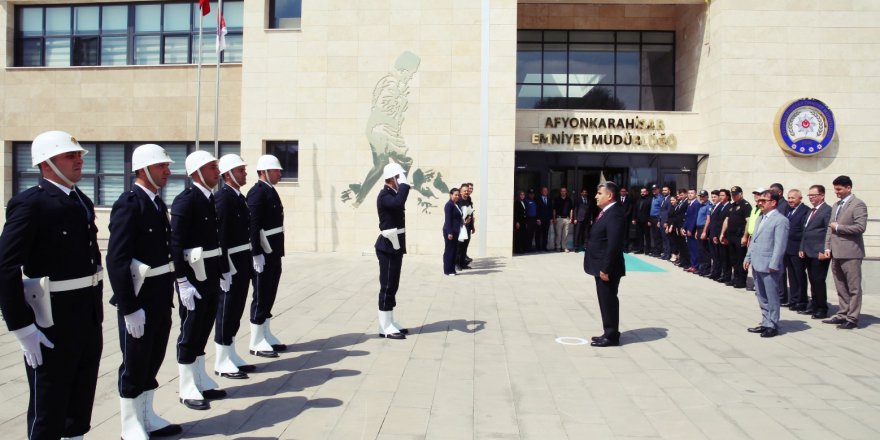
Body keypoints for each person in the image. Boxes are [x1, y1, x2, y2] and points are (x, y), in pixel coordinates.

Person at [0, 131, 103, 439]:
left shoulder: (79, 200)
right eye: (70, 156)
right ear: (47, 163)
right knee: (49, 408)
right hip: (51, 323)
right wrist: (22, 327)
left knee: (79, 404)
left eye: (79, 156)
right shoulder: (31, 204)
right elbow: (5, 266)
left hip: (86, 319)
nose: (78, 161)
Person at [107, 144, 182, 438]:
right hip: (139, 300)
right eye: (162, 166)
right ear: (144, 169)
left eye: (167, 166)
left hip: (160, 295)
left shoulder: (155, 203)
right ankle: (130, 424)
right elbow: (117, 260)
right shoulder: (130, 204)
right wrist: (128, 307)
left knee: (153, 357)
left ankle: (147, 415)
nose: (168, 171)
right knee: (135, 361)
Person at [171, 150, 228, 410]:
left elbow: (217, 240)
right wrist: (182, 281)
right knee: (190, 330)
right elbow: (176, 244)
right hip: (194, 278)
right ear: (196, 173)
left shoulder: (209, 199)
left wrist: (224, 269)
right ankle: (186, 386)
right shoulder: (186, 200)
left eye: (216, 167)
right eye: (211, 168)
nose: (217, 172)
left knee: (204, 326)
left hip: (211, 273)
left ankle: (199, 377)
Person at [213, 154, 257, 378]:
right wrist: (224, 268)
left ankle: (230, 352)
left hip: (242, 260)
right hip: (230, 262)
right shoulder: (223, 198)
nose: (245, 173)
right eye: (241, 170)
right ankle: (221, 360)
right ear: (228, 174)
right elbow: (220, 237)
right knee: (226, 311)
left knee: (236, 310)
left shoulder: (238, 197)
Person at [248, 155, 288, 356]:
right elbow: (253, 225)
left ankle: (265, 332)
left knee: (270, 293)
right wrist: (256, 253)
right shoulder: (257, 193)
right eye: (276, 171)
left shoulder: (270, 191)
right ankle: (256, 340)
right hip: (263, 253)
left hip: (273, 252)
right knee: (261, 294)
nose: (280, 174)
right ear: (264, 172)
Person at [583, 181, 626, 347]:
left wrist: (605, 269)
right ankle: (609, 332)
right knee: (605, 300)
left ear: (609, 196)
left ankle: (611, 336)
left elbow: (614, 244)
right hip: (601, 265)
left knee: (608, 300)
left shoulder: (614, 213)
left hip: (607, 268)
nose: (596, 196)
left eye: (599, 193)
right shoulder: (607, 212)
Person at [823, 175, 868, 329]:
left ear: (849, 188)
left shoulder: (858, 205)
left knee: (853, 287)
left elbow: (860, 227)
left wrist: (840, 228)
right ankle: (843, 313)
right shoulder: (836, 205)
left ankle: (853, 317)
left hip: (851, 252)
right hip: (835, 252)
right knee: (840, 285)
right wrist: (827, 247)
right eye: (835, 189)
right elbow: (830, 227)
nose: (837, 192)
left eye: (839, 189)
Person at [744, 190, 790, 338]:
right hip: (757, 262)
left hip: (769, 265)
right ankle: (765, 322)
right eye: (759, 200)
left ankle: (773, 324)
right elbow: (754, 241)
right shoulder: (760, 218)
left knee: (771, 296)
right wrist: (747, 257)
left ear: (773, 202)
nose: (760, 202)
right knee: (761, 295)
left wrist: (774, 263)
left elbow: (780, 245)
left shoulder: (780, 220)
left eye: (764, 200)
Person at [375, 162, 410, 339]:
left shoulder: (393, 193)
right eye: (399, 176)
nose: (402, 180)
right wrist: (404, 184)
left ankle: (390, 320)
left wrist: (401, 185)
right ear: (393, 178)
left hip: (395, 245)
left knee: (393, 285)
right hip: (387, 246)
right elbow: (398, 203)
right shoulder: (385, 195)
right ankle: (384, 326)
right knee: (387, 285)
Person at [798, 185, 832, 319]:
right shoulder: (810, 211)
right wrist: (801, 247)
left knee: (818, 280)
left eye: (814, 195)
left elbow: (828, 233)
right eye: (809, 195)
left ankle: (822, 308)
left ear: (822, 195)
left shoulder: (827, 210)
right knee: (812, 279)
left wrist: (825, 250)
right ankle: (814, 305)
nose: (811, 198)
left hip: (819, 252)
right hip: (807, 251)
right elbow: (805, 231)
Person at [782, 189, 809, 312]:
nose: (790, 200)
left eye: (793, 198)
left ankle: (802, 301)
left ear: (800, 198)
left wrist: (802, 247)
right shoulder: (789, 210)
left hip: (798, 249)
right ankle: (793, 300)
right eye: (789, 198)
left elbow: (804, 231)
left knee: (799, 276)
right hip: (788, 248)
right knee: (792, 276)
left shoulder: (805, 211)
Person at [721, 186, 751, 289]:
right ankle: (736, 278)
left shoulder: (746, 205)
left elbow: (748, 221)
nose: (734, 196)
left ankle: (741, 280)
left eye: (736, 194)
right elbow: (726, 220)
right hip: (731, 236)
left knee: (740, 259)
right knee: (733, 259)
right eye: (732, 195)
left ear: (741, 194)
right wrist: (722, 234)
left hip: (739, 236)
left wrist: (745, 236)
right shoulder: (731, 206)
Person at [710, 189, 731, 282]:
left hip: (725, 236)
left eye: (723, 195)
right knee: (719, 256)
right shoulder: (722, 206)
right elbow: (717, 222)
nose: (721, 197)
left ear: (727, 196)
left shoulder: (729, 206)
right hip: (718, 234)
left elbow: (727, 222)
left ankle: (726, 276)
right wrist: (715, 235)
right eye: (720, 195)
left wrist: (723, 235)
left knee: (725, 257)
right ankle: (720, 274)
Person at [443, 189, 464, 275]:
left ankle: (452, 269)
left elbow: (457, 218)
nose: (457, 196)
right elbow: (448, 220)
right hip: (450, 231)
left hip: (456, 230)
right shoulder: (449, 205)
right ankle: (447, 270)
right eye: (455, 195)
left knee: (454, 251)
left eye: (458, 195)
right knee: (449, 251)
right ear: (451, 195)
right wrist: (449, 232)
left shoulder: (456, 205)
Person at [683, 189, 702, 272]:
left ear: (695, 194)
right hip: (688, 229)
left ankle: (696, 266)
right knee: (690, 248)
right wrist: (684, 228)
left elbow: (694, 218)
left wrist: (690, 229)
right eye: (689, 193)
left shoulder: (696, 204)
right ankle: (692, 264)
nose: (690, 195)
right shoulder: (690, 204)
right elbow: (687, 217)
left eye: (692, 193)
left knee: (694, 249)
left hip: (692, 230)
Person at [456, 183, 474, 270]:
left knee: (465, 247)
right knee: (459, 246)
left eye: (467, 191)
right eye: (465, 191)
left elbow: (471, 213)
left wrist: (472, 226)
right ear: (461, 192)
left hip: (468, 227)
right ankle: (457, 264)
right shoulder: (458, 201)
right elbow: (456, 215)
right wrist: (463, 221)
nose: (466, 192)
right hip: (461, 227)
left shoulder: (468, 200)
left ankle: (463, 263)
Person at [695, 190, 712, 276]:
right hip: (699, 229)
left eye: (703, 196)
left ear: (707, 197)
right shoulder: (701, 206)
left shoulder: (708, 206)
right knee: (700, 249)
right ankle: (701, 268)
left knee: (705, 250)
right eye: (700, 196)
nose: (701, 198)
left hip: (703, 229)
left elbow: (708, 220)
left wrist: (704, 231)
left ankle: (706, 269)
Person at [552, 186, 574, 252]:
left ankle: (564, 247)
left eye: (564, 191)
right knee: (558, 234)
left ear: (566, 192)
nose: (563, 192)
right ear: (560, 192)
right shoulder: (557, 199)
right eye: (562, 191)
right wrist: (554, 218)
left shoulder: (569, 200)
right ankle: (558, 247)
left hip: (567, 219)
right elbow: (554, 210)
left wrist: (571, 218)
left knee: (565, 234)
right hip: (559, 219)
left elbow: (571, 210)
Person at [573, 188, 592, 253]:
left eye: (586, 192)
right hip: (579, 219)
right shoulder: (578, 200)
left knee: (586, 234)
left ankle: (585, 246)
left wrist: (591, 219)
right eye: (583, 192)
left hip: (587, 219)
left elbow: (590, 211)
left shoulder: (589, 200)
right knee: (577, 233)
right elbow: (575, 210)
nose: (585, 193)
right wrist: (575, 218)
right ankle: (576, 247)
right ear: (581, 193)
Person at [634, 187, 652, 254]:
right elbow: (635, 209)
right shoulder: (638, 200)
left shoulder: (650, 200)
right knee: (639, 236)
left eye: (644, 192)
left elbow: (651, 211)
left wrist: (649, 220)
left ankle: (648, 250)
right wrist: (634, 218)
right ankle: (640, 249)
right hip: (638, 221)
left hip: (646, 221)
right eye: (641, 192)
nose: (642, 193)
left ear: (647, 192)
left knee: (647, 236)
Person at [657, 186, 673, 260]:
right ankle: (665, 253)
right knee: (663, 238)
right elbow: (661, 211)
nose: (664, 191)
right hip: (661, 221)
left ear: (669, 191)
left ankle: (668, 254)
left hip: (665, 222)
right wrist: (658, 221)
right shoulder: (663, 199)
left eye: (665, 190)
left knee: (667, 239)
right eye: (663, 190)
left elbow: (669, 212)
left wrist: (667, 222)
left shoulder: (670, 199)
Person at [535, 187, 553, 251]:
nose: (545, 192)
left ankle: (544, 247)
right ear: (541, 192)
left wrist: (551, 218)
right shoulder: (538, 199)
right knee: (538, 234)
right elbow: (536, 209)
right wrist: (537, 218)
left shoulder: (549, 199)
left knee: (545, 234)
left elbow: (551, 209)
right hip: (540, 219)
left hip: (547, 219)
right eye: (544, 191)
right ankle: (538, 248)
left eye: (546, 191)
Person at [619, 187, 635, 252]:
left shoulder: (629, 199)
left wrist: (624, 216)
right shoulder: (617, 199)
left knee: (625, 234)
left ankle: (625, 248)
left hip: (626, 219)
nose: (623, 192)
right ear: (620, 192)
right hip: (618, 219)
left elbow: (630, 209)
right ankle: (619, 248)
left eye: (624, 191)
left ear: (626, 192)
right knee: (618, 233)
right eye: (621, 191)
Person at [649, 185, 663, 256]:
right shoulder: (653, 198)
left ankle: (658, 251)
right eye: (653, 190)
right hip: (652, 218)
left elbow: (662, 209)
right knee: (654, 235)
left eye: (655, 189)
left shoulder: (660, 198)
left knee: (657, 236)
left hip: (657, 218)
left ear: (658, 190)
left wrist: (659, 220)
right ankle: (655, 250)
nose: (654, 191)